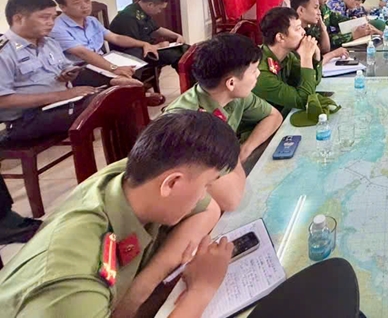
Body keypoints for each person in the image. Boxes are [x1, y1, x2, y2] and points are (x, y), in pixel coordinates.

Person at [0, 111, 235, 318]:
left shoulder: (138, 177)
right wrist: (201, 290)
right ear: (172, 183)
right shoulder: (74, 279)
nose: (203, 195)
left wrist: (141, 289)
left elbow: (209, 209)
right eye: (206, 185)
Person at [164, 33, 282, 212]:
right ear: (231, 83)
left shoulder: (234, 95)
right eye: (253, 71)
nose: (258, 74)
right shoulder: (188, 125)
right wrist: (234, 156)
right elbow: (231, 200)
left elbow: (274, 117)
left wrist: (245, 149)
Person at [1, 0, 132, 142]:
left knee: (118, 96)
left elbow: (65, 67)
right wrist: (64, 95)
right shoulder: (4, 52)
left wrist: (69, 73)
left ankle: (131, 150)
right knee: (107, 104)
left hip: (60, 105)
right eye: (44, 17)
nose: (51, 23)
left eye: (53, 17)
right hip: (25, 120)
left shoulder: (49, 43)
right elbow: (3, 100)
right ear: (18, 19)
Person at [50, 0, 157, 85]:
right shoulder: (57, 28)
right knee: (120, 79)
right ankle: (134, 87)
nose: (85, 6)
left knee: (138, 50)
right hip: (80, 68)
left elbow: (116, 37)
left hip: (103, 59)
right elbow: (82, 53)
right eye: (77, 3)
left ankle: (134, 85)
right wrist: (114, 68)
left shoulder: (91, 20)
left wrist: (143, 43)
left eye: (87, 1)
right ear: (63, 7)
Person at [253, 7, 324, 116]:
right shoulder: (260, 72)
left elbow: (311, 83)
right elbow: (305, 101)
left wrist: (316, 56)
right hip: (261, 123)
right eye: (298, 29)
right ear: (280, 37)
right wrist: (306, 58)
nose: (303, 32)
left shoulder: (287, 56)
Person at [109, 0, 188, 68]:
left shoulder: (142, 11)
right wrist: (158, 46)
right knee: (177, 55)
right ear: (150, 4)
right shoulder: (129, 16)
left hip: (145, 46)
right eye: (160, 8)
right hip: (131, 53)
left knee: (185, 49)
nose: (160, 11)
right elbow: (131, 43)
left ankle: (191, 75)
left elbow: (157, 29)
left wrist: (177, 35)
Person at [302, 0, 375, 50]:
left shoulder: (323, 7)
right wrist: (353, 35)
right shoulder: (309, 15)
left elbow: (335, 18)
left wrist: (354, 22)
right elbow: (324, 41)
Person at [290, 0, 370, 54]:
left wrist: (323, 28)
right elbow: (315, 61)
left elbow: (324, 49)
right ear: (301, 10)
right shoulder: (294, 33)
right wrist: (333, 54)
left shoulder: (323, 9)